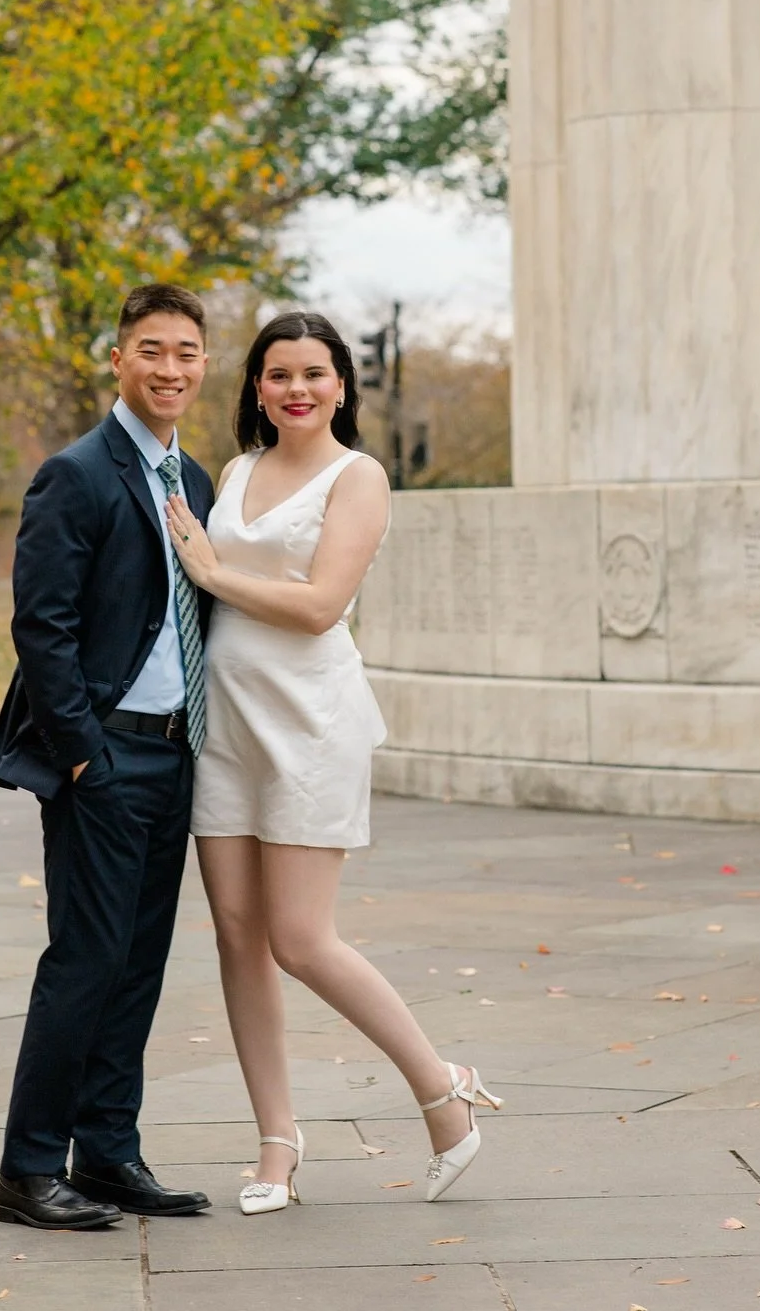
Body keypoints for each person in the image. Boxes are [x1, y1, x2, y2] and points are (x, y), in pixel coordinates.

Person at [165, 309, 501, 1214]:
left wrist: (211, 569)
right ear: (257, 386)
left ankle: (442, 1089)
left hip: (311, 722)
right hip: (225, 723)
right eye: (278, 373)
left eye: (314, 373)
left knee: (301, 938)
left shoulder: (360, 476)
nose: (296, 389)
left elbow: (320, 606)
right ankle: (276, 1143)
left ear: (341, 385)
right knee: (238, 934)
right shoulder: (237, 470)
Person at [0, 283, 216, 1230]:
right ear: (118, 359)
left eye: (187, 352)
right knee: (85, 960)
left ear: (204, 365)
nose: (170, 368)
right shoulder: (74, 474)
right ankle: (30, 1166)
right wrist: (84, 758)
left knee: (138, 964)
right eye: (152, 350)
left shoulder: (194, 481)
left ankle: (109, 1152)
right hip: (106, 758)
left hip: (176, 754)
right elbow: (41, 627)